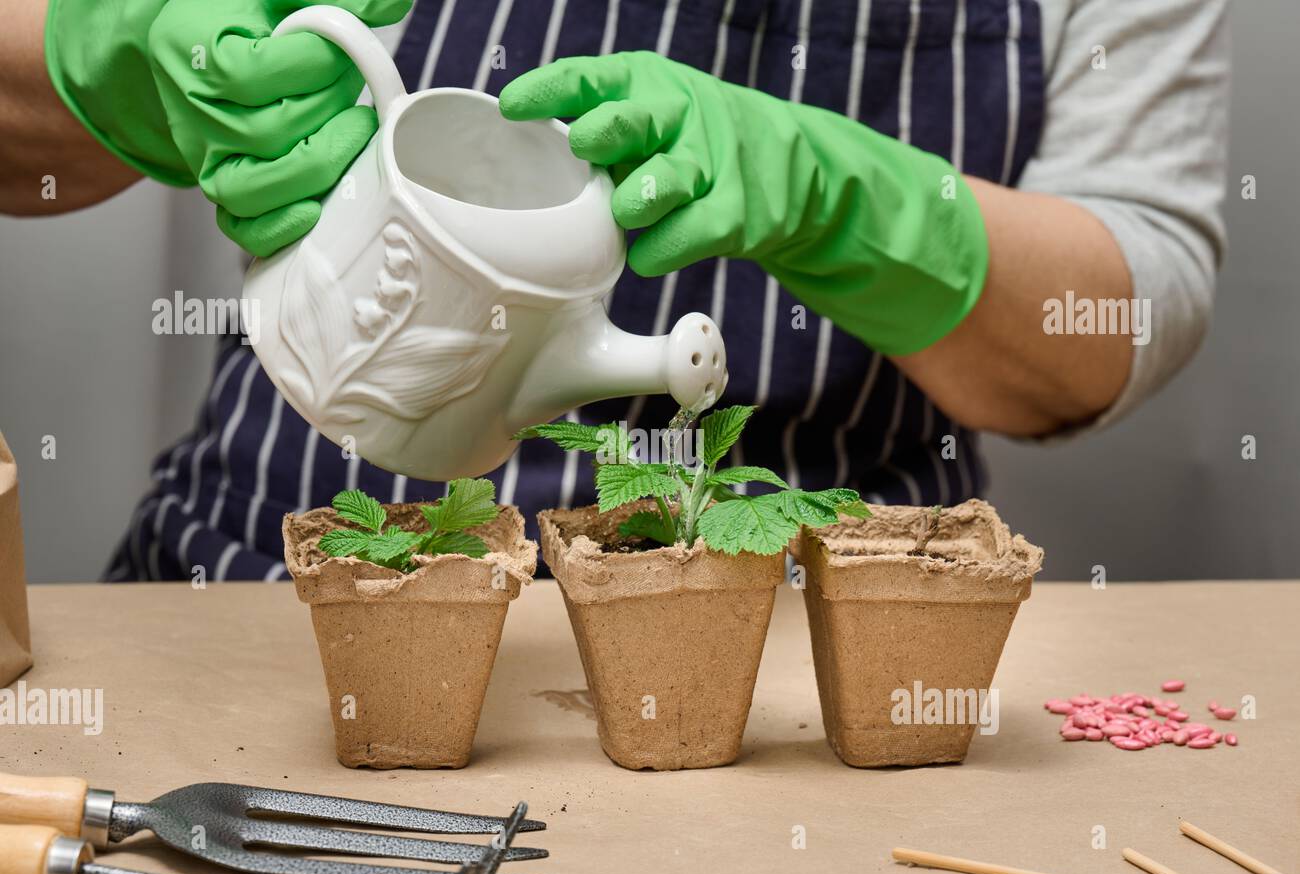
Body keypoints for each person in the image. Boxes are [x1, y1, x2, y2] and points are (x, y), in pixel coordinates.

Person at [1, 0, 1228, 580]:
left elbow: (1118, 319)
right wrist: (115, 54)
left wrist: (844, 197)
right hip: (259, 590)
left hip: (788, 668)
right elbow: (21, 141)